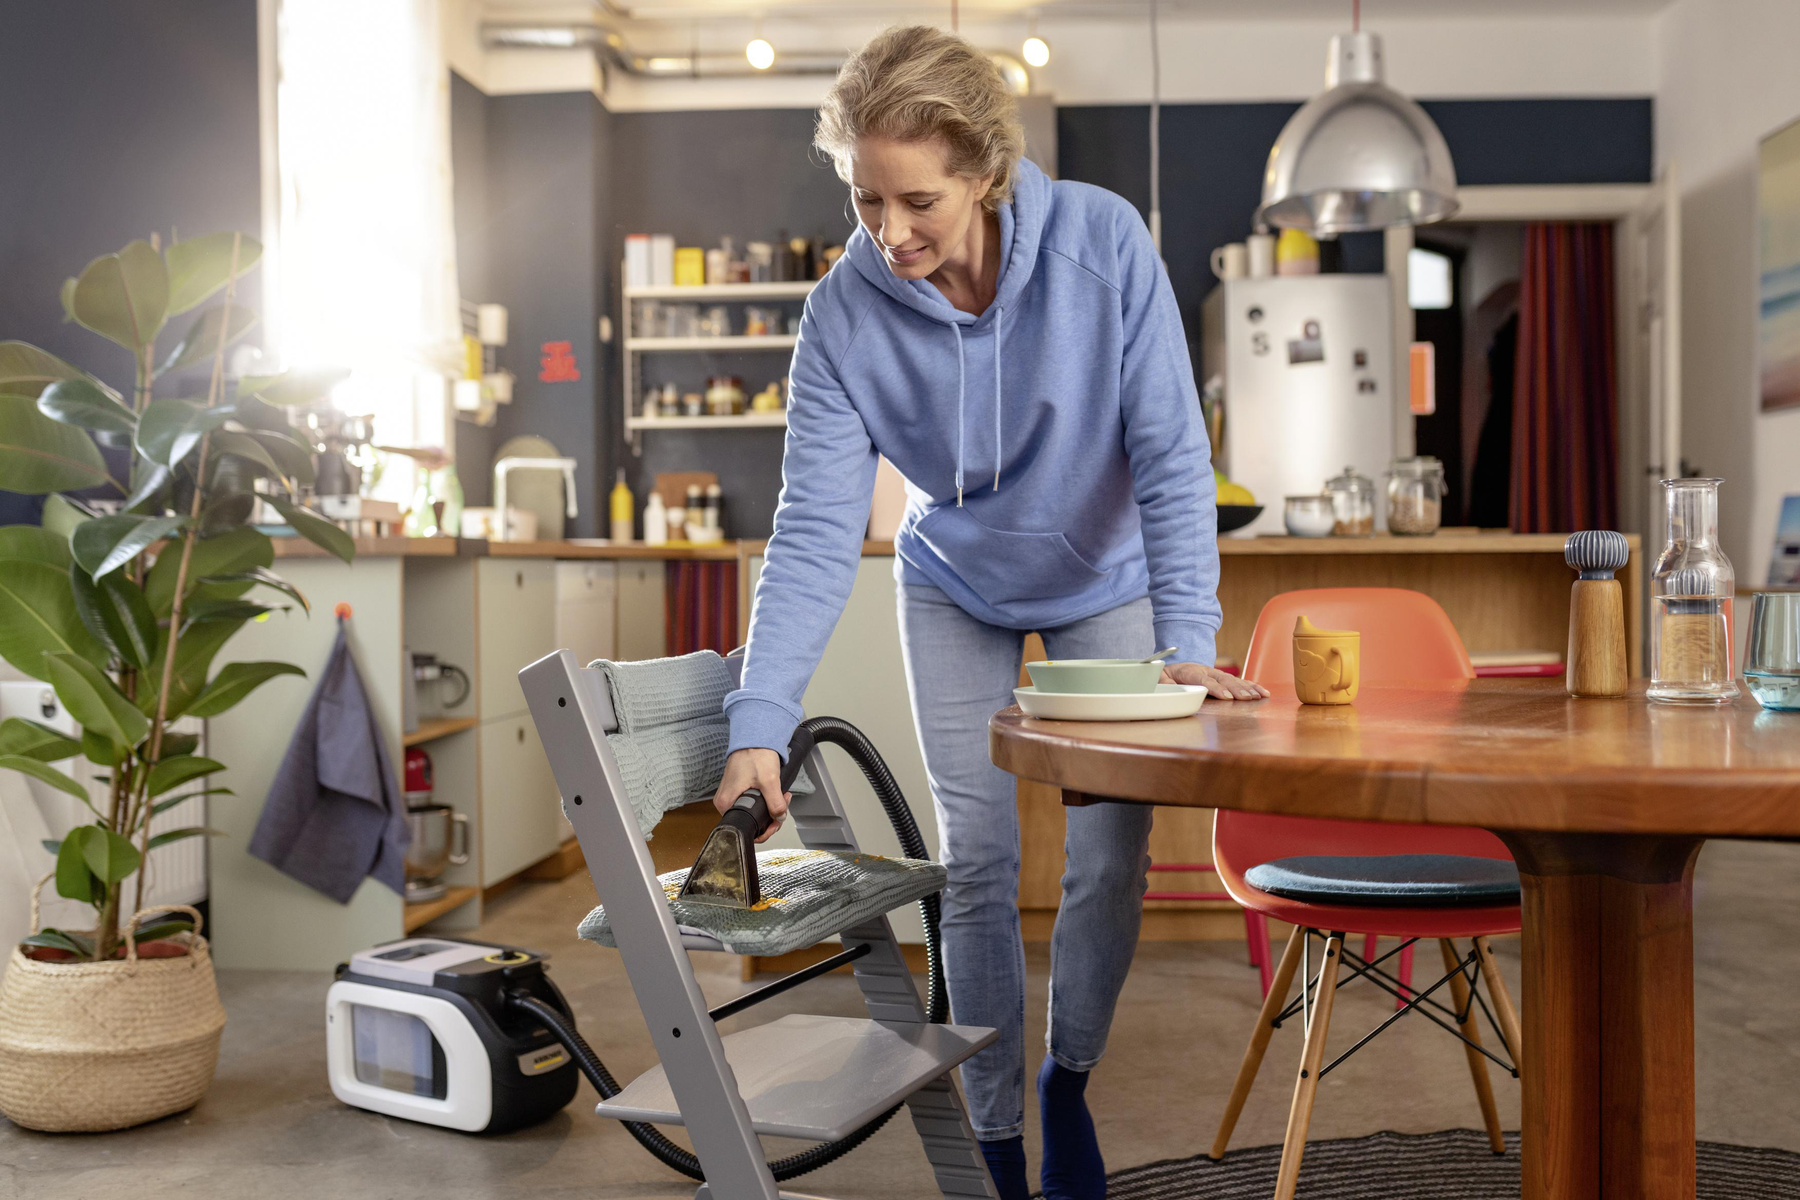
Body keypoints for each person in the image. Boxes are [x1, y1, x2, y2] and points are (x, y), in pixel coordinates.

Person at [712, 25, 1266, 1200]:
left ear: (987, 173)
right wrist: (760, 719)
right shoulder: (843, 317)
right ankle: (1000, 1136)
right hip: (952, 582)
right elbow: (813, 530)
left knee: (1109, 853)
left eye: (917, 200)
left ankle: (1068, 1077)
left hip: (1106, 578)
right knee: (976, 860)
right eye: (867, 199)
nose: (889, 232)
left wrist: (1188, 645)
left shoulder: (1104, 246)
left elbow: (1172, 458)